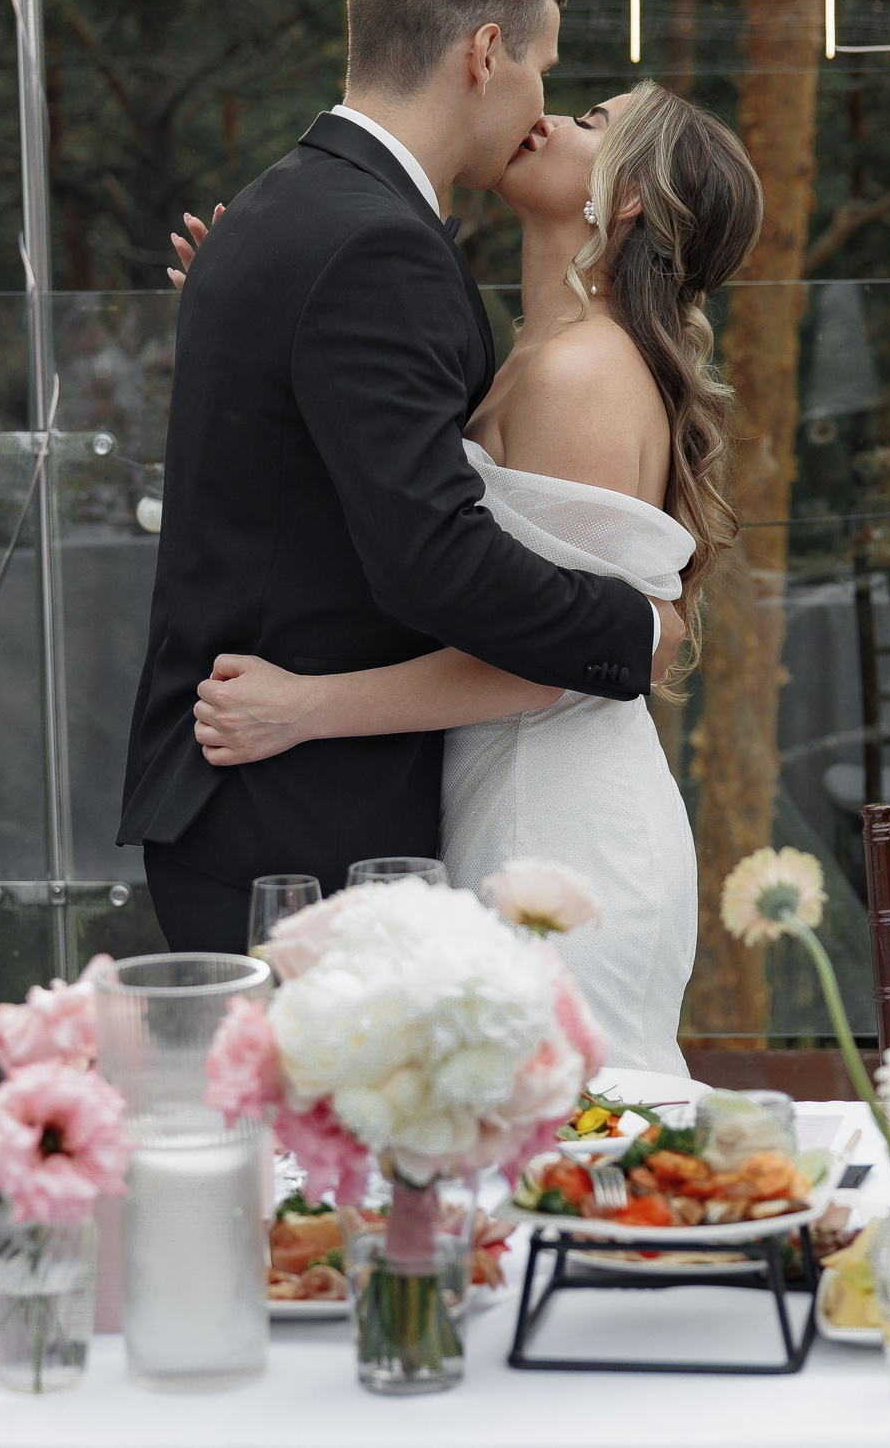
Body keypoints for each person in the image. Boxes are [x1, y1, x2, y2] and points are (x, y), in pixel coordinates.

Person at [118, 0, 686, 960]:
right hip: (298, 825)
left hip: (261, 805)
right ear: (484, 52)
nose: (540, 99)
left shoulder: (288, 208)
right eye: (542, 66)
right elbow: (432, 560)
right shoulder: (376, 245)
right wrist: (639, 632)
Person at [177, 83, 761, 1076]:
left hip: (560, 823)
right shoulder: (531, 356)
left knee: (569, 1134)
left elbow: (557, 657)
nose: (552, 114)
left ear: (625, 199)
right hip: (507, 794)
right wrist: (257, 304)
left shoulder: (579, 375)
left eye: (591, 123)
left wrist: (307, 709)